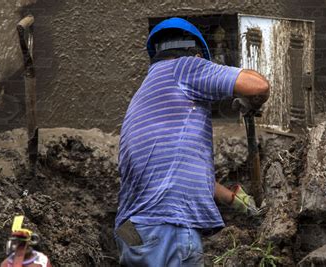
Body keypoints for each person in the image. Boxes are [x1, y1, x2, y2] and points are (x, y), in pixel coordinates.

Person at [115, 17, 270, 266]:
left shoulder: (148, 90)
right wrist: (251, 101)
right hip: (167, 226)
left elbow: (183, 175)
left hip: (131, 233)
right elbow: (259, 85)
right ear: (198, 56)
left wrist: (236, 200)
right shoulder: (185, 67)